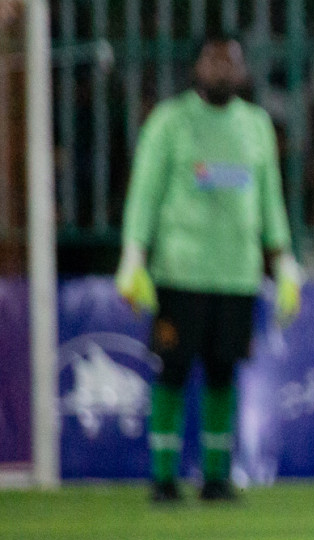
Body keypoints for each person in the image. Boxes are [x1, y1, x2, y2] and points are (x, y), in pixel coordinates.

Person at [115, 34, 303, 502]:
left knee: (224, 372)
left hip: (237, 274)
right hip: (180, 270)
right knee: (172, 370)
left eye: (231, 61)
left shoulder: (256, 125)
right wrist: (132, 255)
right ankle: (163, 477)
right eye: (213, 60)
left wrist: (284, 263)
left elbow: (269, 200)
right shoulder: (170, 122)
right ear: (197, 66)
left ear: (242, 71)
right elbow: (145, 193)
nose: (222, 69)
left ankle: (217, 477)